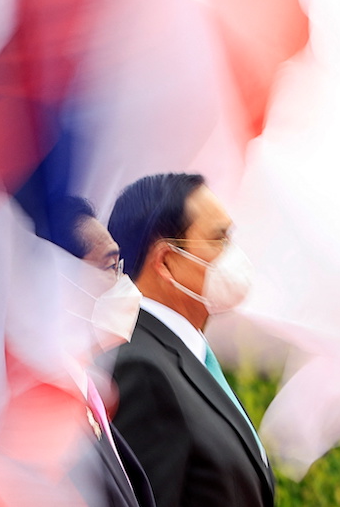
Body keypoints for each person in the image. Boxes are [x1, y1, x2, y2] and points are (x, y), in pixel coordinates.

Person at [106, 173, 274, 507]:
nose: (233, 255)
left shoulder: (190, 355)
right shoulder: (140, 366)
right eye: (219, 239)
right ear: (166, 261)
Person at [51, 196, 156, 507]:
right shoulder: (42, 411)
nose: (124, 285)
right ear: (60, 278)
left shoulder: (86, 388)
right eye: (110, 266)